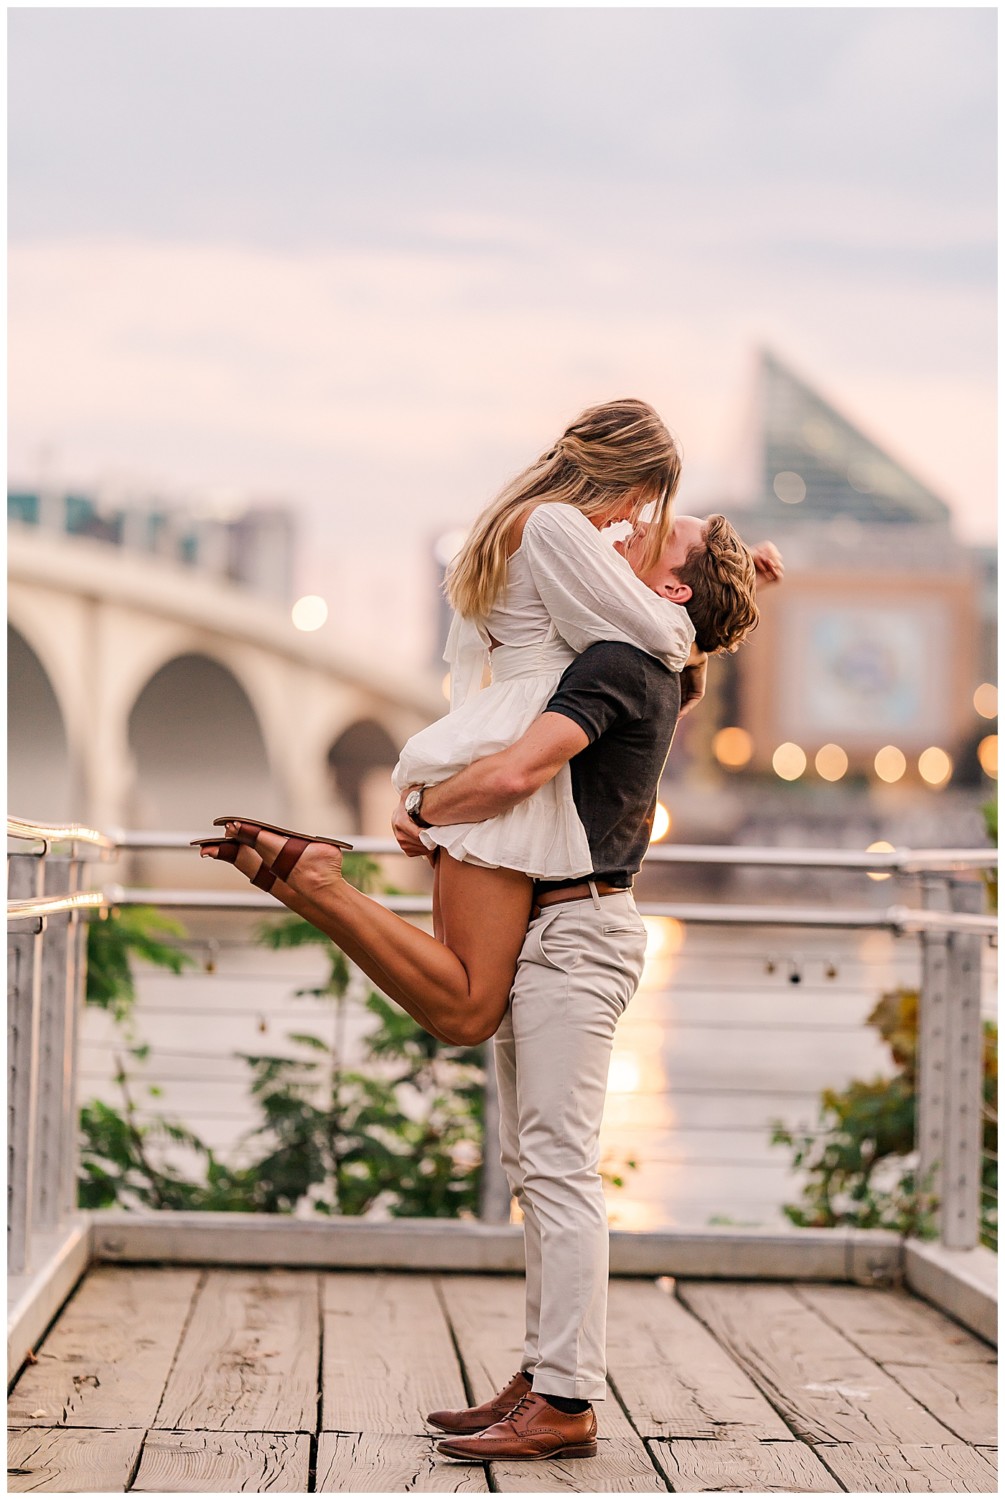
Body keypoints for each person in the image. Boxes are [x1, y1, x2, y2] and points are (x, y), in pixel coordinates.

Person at [196, 399, 771, 1049]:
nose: (629, 524)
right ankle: (319, 883)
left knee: (461, 1009)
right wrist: (716, 604)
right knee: (468, 1009)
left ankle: (310, 885)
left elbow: (639, 666)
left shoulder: (518, 520)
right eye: (641, 504)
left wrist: (729, 584)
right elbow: (643, 638)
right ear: (625, 476)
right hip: (516, 750)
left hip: (504, 732)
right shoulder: (556, 525)